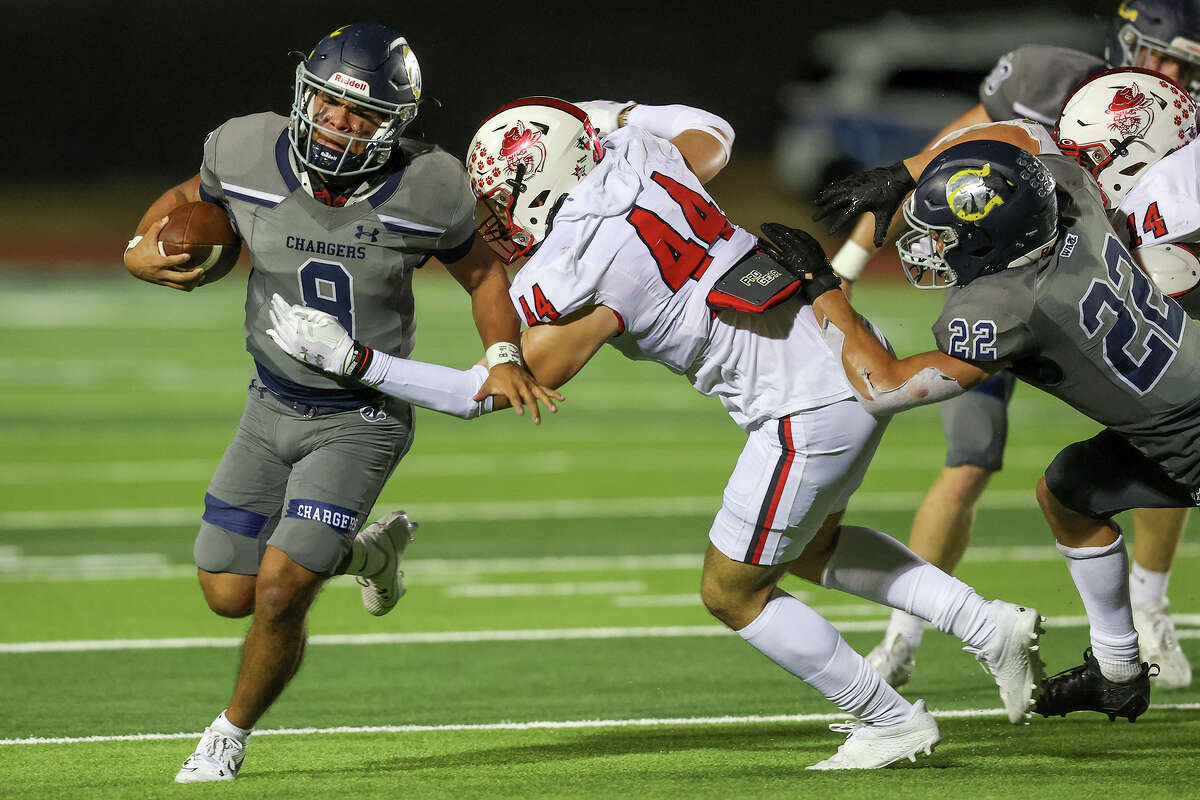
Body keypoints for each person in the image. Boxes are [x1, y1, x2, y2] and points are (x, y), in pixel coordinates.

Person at [265, 96, 1046, 770]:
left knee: (731, 591)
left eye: (504, 199)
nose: (497, 220)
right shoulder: (641, 151)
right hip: (836, 349)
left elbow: (488, 392)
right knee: (807, 545)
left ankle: (891, 719)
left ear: (541, 182)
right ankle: (989, 627)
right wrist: (609, 113)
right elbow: (715, 133)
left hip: (802, 409)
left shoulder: (571, 266)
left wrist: (355, 360)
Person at [122, 23, 560, 783]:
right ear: (304, 95)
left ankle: (228, 734)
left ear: (394, 125)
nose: (339, 123)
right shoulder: (245, 148)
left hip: (363, 413)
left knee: (284, 587)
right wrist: (141, 245)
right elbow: (192, 198)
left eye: (361, 116)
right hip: (269, 404)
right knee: (229, 591)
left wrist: (501, 353)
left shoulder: (431, 185)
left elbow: (485, 273)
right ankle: (369, 554)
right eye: (327, 105)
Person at [828, 1, 1200, 692]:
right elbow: (1017, 139)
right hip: (1149, 354)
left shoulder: (1006, 302)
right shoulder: (1081, 186)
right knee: (1064, 486)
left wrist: (826, 289)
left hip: (1156, 405)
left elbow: (885, 384)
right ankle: (1117, 664)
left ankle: (1142, 621)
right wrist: (911, 175)